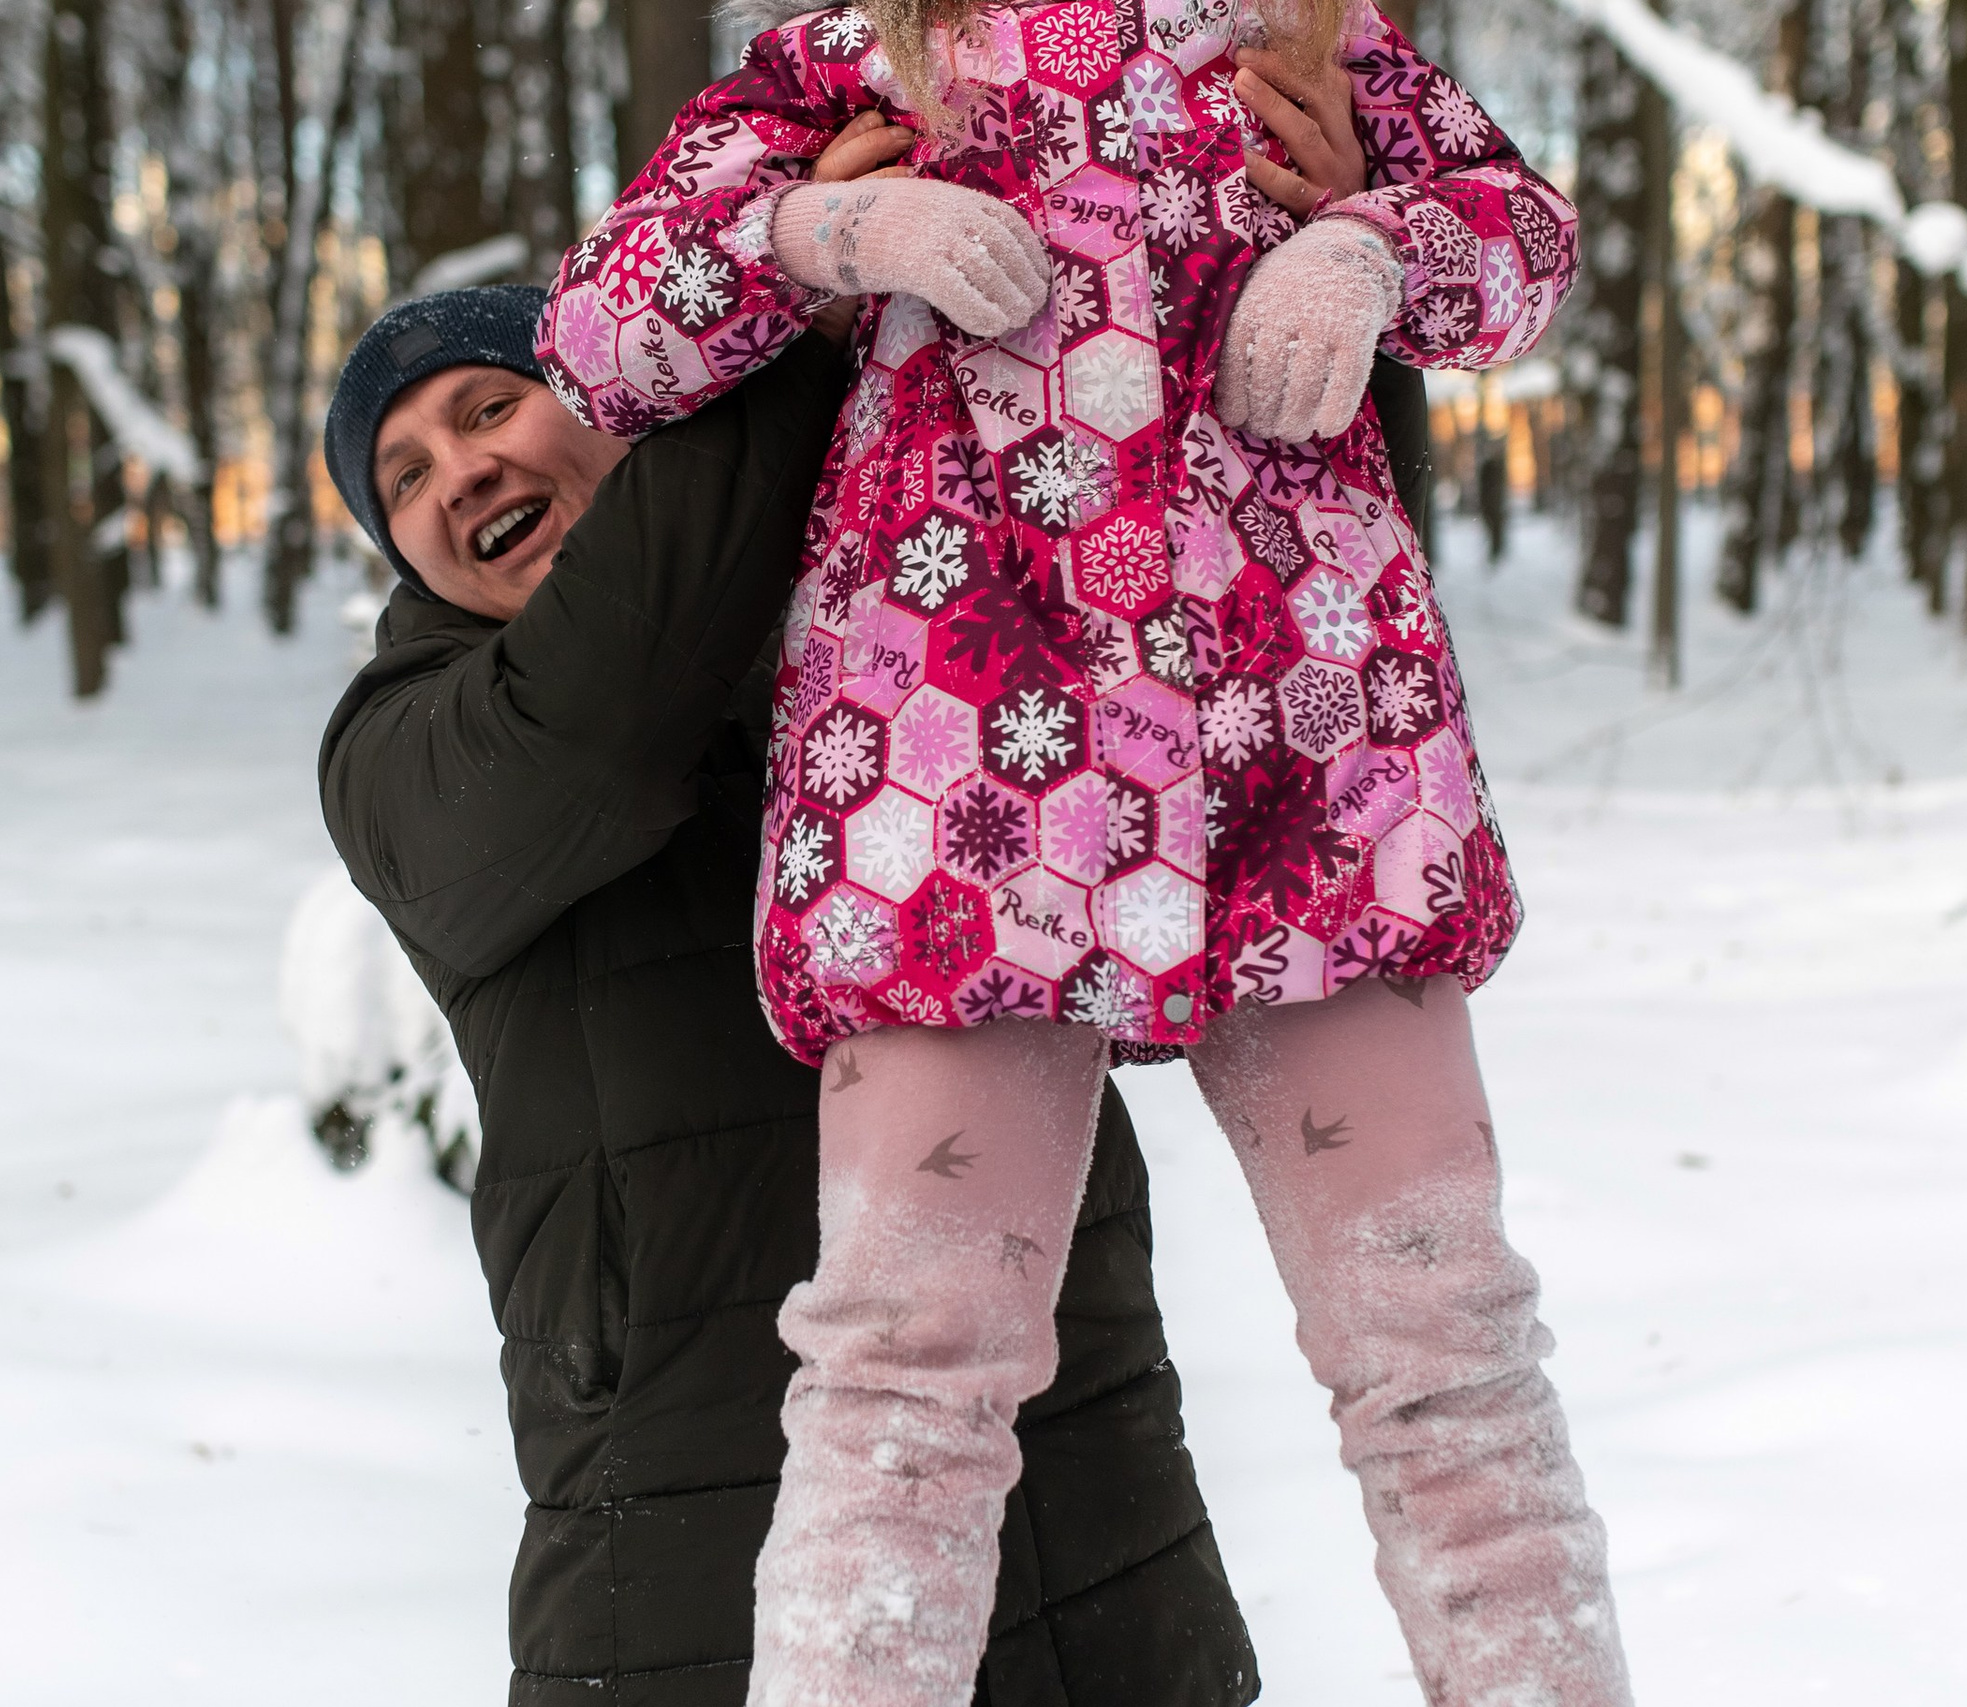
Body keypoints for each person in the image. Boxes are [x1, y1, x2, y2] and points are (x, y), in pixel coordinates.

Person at [535, 3, 1632, 1706]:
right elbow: (605, 333)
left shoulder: (1306, 36)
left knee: (1446, 1351)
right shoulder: (854, 50)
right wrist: (827, 229)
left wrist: (1368, 249)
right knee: (905, 1385)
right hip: (956, 771)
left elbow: (1525, 239)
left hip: (1316, 756)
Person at [315, 124, 1271, 1707]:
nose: (460, 470)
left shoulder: (907, 580)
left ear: (599, 409)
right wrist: (780, 290)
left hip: (1077, 1448)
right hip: (698, 1510)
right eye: (403, 478)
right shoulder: (405, 751)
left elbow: (1173, 704)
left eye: (491, 407)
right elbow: (615, 708)